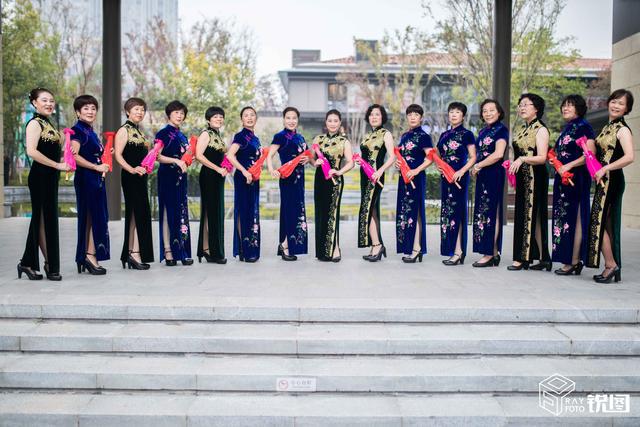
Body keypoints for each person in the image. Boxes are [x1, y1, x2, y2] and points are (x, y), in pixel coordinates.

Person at [18, 88, 70, 281]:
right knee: (40, 219)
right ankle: (47, 263)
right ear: (34, 103)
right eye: (44, 100)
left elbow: (57, 148)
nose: (49, 103)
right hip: (39, 177)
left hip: (50, 178)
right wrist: (57, 165)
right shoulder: (34, 124)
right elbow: (32, 152)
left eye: (51, 101)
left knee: (46, 219)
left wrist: (67, 141)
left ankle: (26, 262)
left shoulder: (49, 125)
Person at [587, 89, 635, 283]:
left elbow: (630, 156)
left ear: (627, 109)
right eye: (614, 101)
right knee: (599, 224)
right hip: (603, 181)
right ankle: (611, 264)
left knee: (600, 224)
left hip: (613, 181)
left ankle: (611, 265)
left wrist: (606, 168)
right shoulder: (608, 127)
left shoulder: (622, 129)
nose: (616, 106)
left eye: (621, 104)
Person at [550, 95, 595, 276]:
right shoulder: (567, 129)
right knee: (563, 219)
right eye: (564, 106)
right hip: (563, 181)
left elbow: (589, 153)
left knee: (575, 218)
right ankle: (567, 258)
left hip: (576, 179)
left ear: (579, 108)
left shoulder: (584, 126)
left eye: (570, 105)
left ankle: (574, 260)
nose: (565, 108)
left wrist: (568, 165)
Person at [508, 93, 551, 271]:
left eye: (526, 104)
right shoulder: (523, 128)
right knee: (530, 216)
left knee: (528, 216)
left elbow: (542, 157)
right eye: (520, 104)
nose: (522, 107)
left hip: (535, 177)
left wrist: (522, 160)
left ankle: (522, 257)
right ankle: (543, 258)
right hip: (524, 178)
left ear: (537, 108)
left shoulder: (540, 129)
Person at [70, 95, 110, 275]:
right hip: (86, 178)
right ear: (78, 112)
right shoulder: (77, 130)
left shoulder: (89, 131)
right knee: (93, 217)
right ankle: (89, 256)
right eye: (85, 108)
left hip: (95, 179)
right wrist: (96, 166)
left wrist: (104, 155)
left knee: (95, 217)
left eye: (93, 108)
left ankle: (84, 256)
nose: (90, 111)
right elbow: (74, 156)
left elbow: (90, 153)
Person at [114, 97, 153, 270]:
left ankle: (129, 253)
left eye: (142, 109)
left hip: (141, 176)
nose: (140, 112)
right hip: (131, 176)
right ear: (128, 111)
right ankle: (134, 254)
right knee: (138, 213)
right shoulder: (124, 130)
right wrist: (132, 169)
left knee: (137, 214)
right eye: (136, 109)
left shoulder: (139, 131)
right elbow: (118, 156)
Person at [267, 107, 309, 261]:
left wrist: (308, 160)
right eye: (288, 118)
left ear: (297, 120)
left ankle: (287, 245)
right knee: (290, 211)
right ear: (284, 119)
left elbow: (308, 156)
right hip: (287, 179)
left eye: (294, 118)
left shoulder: (301, 138)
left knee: (297, 211)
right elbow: (269, 155)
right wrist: (272, 170)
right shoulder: (280, 136)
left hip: (300, 179)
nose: (291, 121)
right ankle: (285, 245)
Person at [437, 102, 476, 266]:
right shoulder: (444, 135)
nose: (453, 114)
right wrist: (440, 167)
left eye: (457, 112)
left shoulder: (467, 134)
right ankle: (452, 249)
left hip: (459, 178)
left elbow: (473, 157)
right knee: (448, 213)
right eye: (451, 112)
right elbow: (437, 155)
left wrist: (461, 171)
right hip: (446, 179)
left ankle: (459, 252)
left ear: (463, 116)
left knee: (458, 213)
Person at [311, 109, 353, 262]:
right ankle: (322, 251)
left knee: (332, 214)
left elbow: (351, 163)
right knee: (321, 214)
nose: (333, 123)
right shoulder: (318, 139)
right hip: (319, 180)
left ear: (340, 123)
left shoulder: (344, 141)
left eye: (336, 121)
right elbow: (311, 159)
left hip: (334, 181)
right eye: (330, 120)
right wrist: (315, 162)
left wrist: (339, 171)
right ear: (326, 122)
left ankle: (335, 248)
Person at [470, 99, 508, 267]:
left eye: (492, 110)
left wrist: (478, 165)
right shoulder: (484, 131)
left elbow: (499, 154)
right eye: (485, 110)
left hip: (493, 174)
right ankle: (491, 251)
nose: (488, 113)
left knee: (492, 213)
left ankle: (490, 253)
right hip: (483, 175)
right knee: (483, 213)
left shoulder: (501, 130)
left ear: (499, 112)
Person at [356, 104, 395, 262]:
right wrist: (359, 160)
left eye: (377, 114)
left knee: (368, 209)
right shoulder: (366, 136)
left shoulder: (386, 134)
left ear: (382, 117)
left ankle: (378, 245)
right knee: (372, 211)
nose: (374, 117)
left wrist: (380, 171)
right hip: (364, 177)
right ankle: (375, 245)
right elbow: (366, 156)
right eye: (371, 114)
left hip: (376, 177)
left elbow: (392, 157)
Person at [156, 100, 193, 266]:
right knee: (167, 213)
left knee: (181, 214)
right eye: (176, 112)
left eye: (182, 113)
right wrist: (176, 161)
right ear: (169, 114)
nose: (180, 115)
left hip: (180, 179)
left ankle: (182, 251)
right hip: (167, 177)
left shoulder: (182, 135)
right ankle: (168, 251)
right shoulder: (163, 133)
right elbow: (157, 156)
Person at [395, 104, 434, 263]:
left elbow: (430, 158)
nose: (412, 117)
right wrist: (398, 165)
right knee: (406, 213)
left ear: (421, 118)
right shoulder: (404, 136)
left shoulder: (424, 136)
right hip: (404, 179)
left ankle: (417, 249)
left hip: (416, 178)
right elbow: (402, 157)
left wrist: (416, 170)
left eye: (416, 115)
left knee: (416, 212)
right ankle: (411, 247)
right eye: (410, 114)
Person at [226, 106, 262, 262]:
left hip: (254, 179)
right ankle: (243, 248)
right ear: (242, 119)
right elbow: (230, 155)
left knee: (252, 211)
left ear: (256, 118)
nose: (249, 118)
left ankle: (250, 247)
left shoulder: (255, 138)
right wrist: (244, 171)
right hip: (243, 178)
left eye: (252, 115)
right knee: (243, 210)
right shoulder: (240, 136)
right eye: (246, 115)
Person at [195, 106, 229, 264]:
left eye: (221, 117)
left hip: (218, 176)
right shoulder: (206, 134)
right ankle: (211, 251)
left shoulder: (218, 136)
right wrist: (217, 168)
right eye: (215, 117)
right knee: (210, 212)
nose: (219, 119)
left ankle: (207, 248)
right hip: (209, 175)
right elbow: (199, 156)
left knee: (215, 213)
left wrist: (226, 166)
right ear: (208, 119)